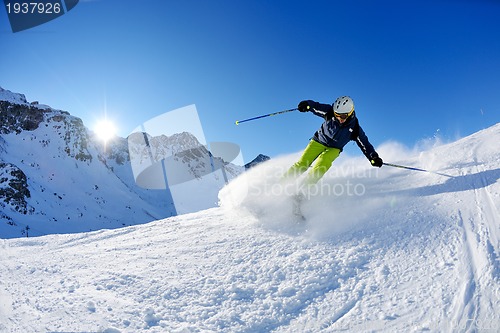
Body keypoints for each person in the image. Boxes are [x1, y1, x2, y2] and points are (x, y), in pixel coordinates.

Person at [284, 96, 383, 186]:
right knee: (303, 163)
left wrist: (373, 157)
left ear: (350, 113)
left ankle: (302, 191)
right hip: (319, 140)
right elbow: (316, 106)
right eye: (337, 115)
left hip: (334, 148)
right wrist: (307, 105)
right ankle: (281, 184)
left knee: (321, 165)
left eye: (343, 116)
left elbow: (365, 144)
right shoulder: (330, 112)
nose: (339, 118)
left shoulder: (355, 128)